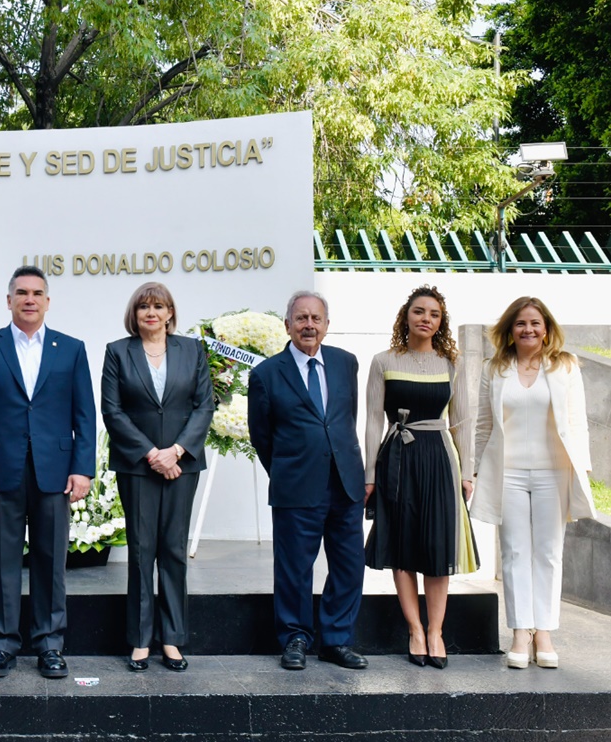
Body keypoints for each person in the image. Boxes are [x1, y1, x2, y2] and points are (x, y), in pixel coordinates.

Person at [0, 265, 97, 679]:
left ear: (48, 301)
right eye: (21, 292)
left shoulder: (70, 349)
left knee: (50, 561)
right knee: (2, 561)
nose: (29, 299)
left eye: (37, 293)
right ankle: (2, 645)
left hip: (54, 471)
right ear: (9, 300)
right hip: (1, 471)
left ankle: (50, 645)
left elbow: (84, 415)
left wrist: (83, 469)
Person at [247, 291, 368, 671]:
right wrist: (288, 468)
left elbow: (345, 418)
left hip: (345, 484)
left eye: (316, 318)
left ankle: (336, 640)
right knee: (294, 569)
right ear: (287, 325)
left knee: (350, 566)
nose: (309, 325)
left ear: (327, 325)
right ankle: (295, 638)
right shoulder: (266, 374)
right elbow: (261, 436)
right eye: (301, 318)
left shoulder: (346, 363)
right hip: (296, 486)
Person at [472, 296, 594, 669]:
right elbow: (482, 425)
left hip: (553, 471)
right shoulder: (495, 369)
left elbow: (577, 421)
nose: (528, 329)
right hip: (506, 472)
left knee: (548, 552)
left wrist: (583, 467)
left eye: (535, 323)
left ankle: (545, 631)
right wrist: (478, 468)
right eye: (521, 323)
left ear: (546, 329)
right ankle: (520, 632)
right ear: (510, 329)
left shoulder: (565, 366)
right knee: (514, 553)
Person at [362, 285, 478, 670]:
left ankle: (436, 632)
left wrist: (468, 470)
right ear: (405, 315)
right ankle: (414, 629)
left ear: (440, 322)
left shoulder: (451, 364)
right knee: (402, 546)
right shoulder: (383, 360)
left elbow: (462, 421)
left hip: (440, 458)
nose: (426, 319)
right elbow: (372, 422)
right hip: (397, 457)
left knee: (437, 548)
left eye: (434, 314)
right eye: (419, 311)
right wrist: (370, 473)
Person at [101, 282, 214, 672]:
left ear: (170, 313)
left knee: (173, 551)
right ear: (134, 314)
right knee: (141, 551)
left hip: (182, 465)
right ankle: (139, 640)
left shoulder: (192, 350)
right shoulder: (118, 352)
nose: (151, 312)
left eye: (159, 306)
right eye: (144, 306)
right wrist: (153, 454)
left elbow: (204, 406)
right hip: (138, 466)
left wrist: (177, 451)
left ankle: (172, 639)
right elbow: (113, 412)